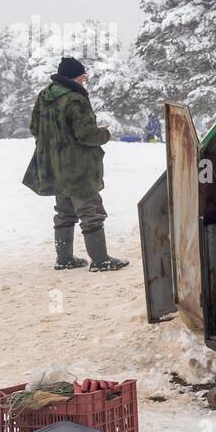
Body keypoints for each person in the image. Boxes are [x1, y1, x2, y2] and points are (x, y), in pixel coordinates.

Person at [22, 57, 129, 272]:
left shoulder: (45, 96)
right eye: (82, 75)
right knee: (90, 211)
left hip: (53, 165)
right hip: (77, 167)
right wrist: (105, 134)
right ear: (74, 76)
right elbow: (86, 135)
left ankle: (64, 258)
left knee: (64, 210)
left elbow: (34, 127)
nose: (84, 79)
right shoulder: (75, 99)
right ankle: (100, 260)